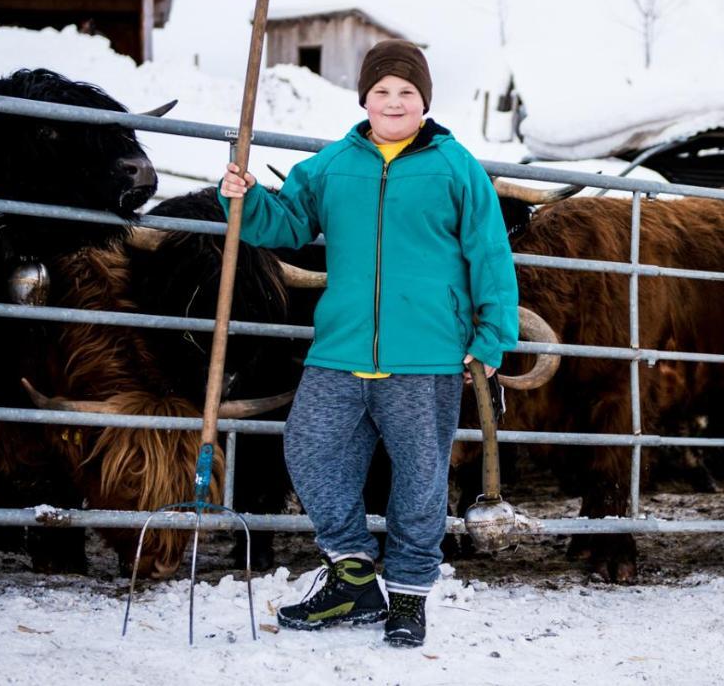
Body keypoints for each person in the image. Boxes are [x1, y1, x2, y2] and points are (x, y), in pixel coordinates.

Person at [218, 39, 518, 648]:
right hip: (342, 347)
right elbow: (288, 223)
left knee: (420, 477)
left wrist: (492, 336)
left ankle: (409, 599)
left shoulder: (457, 167)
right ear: (365, 98)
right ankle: (352, 572)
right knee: (308, 447)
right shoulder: (333, 165)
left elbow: (490, 254)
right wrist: (244, 200)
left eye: (407, 92)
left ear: (424, 101)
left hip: (426, 351)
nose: (394, 101)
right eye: (382, 91)